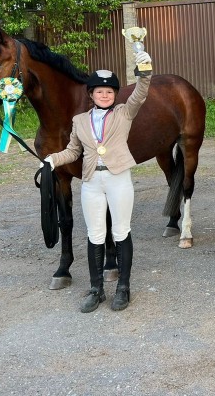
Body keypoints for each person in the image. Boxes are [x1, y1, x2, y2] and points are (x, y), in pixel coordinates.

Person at [43, 48, 153, 313]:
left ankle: (123, 287)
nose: (104, 95)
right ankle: (96, 289)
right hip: (92, 181)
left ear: (115, 95)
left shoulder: (125, 112)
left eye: (109, 92)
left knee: (121, 231)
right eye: (99, 92)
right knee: (95, 234)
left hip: (118, 179)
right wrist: (52, 160)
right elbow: (73, 151)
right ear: (91, 95)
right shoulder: (79, 120)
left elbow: (140, 93)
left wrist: (145, 71)